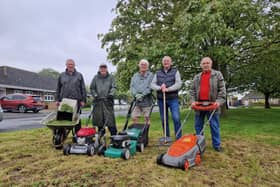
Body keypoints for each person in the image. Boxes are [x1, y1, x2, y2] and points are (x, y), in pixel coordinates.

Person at [190, 57, 226, 152]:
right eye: (204, 63)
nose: (206, 65)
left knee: (214, 125)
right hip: (199, 105)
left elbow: (222, 90)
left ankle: (217, 145)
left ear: (211, 64)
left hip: (212, 105)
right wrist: (192, 101)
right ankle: (199, 144)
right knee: (198, 125)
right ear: (201, 65)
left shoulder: (217, 75)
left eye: (208, 63)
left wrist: (218, 102)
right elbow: (192, 91)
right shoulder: (197, 77)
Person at [151, 56, 182, 140]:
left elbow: (179, 84)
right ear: (162, 63)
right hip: (161, 99)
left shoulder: (175, 71)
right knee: (164, 119)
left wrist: (168, 89)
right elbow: (152, 84)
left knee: (176, 118)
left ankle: (178, 137)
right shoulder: (157, 73)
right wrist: (160, 87)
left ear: (171, 62)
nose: (166, 62)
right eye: (164, 61)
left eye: (168, 61)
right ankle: (167, 137)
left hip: (173, 99)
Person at [55, 59, 87, 132]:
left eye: (72, 64)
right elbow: (58, 88)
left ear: (74, 65)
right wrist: (57, 99)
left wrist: (83, 100)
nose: (70, 66)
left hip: (76, 101)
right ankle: (61, 136)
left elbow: (83, 88)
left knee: (76, 119)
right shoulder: (61, 75)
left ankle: (78, 136)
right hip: (64, 101)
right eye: (69, 64)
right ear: (66, 65)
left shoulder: (79, 75)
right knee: (63, 119)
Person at [90, 63, 117, 136]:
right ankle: (101, 137)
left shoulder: (111, 77)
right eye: (101, 68)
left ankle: (114, 136)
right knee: (99, 121)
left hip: (108, 101)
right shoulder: (95, 78)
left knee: (110, 121)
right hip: (98, 102)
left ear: (106, 69)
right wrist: (95, 95)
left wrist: (111, 94)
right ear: (99, 69)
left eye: (104, 68)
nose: (103, 69)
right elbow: (92, 88)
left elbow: (114, 87)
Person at [130, 59, 154, 125]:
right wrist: (135, 94)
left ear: (147, 66)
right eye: (142, 64)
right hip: (137, 101)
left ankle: (145, 134)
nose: (143, 66)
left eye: (145, 65)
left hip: (147, 101)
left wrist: (142, 94)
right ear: (139, 65)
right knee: (134, 117)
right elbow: (132, 87)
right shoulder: (135, 76)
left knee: (147, 118)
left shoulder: (151, 75)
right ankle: (137, 133)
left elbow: (150, 87)